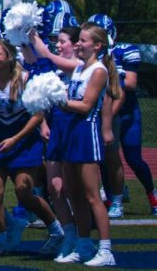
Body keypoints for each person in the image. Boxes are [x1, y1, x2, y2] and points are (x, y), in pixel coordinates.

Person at [0, 39, 61, 257]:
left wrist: (15, 138)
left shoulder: (26, 79)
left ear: (9, 57)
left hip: (24, 141)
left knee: (24, 191)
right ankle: (2, 240)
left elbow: (38, 115)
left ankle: (55, 229)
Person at [53, 22, 120, 266]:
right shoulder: (81, 69)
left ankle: (106, 250)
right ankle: (83, 244)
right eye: (78, 40)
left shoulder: (99, 71)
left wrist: (58, 99)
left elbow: (86, 105)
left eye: (82, 41)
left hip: (85, 134)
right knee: (74, 194)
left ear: (97, 45)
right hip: (71, 133)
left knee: (92, 195)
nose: (78, 44)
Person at [88, 14, 156, 216]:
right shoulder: (89, 55)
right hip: (103, 112)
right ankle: (113, 199)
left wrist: (110, 81)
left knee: (133, 158)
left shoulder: (125, 50)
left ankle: (152, 194)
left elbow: (132, 84)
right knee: (105, 158)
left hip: (126, 114)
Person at [28, 25, 81, 259]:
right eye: (56, 41)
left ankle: (84, 238)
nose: (58, 45)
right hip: (57, 130)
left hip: (76, 132)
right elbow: (33, 61)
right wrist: (22, 38)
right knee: (54, 188)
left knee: (74, 190)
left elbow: (46, 55)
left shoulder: (81, 67)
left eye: (62, 41)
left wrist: (33, 35)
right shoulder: (55, 66)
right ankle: (68, 235)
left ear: (76, 44)